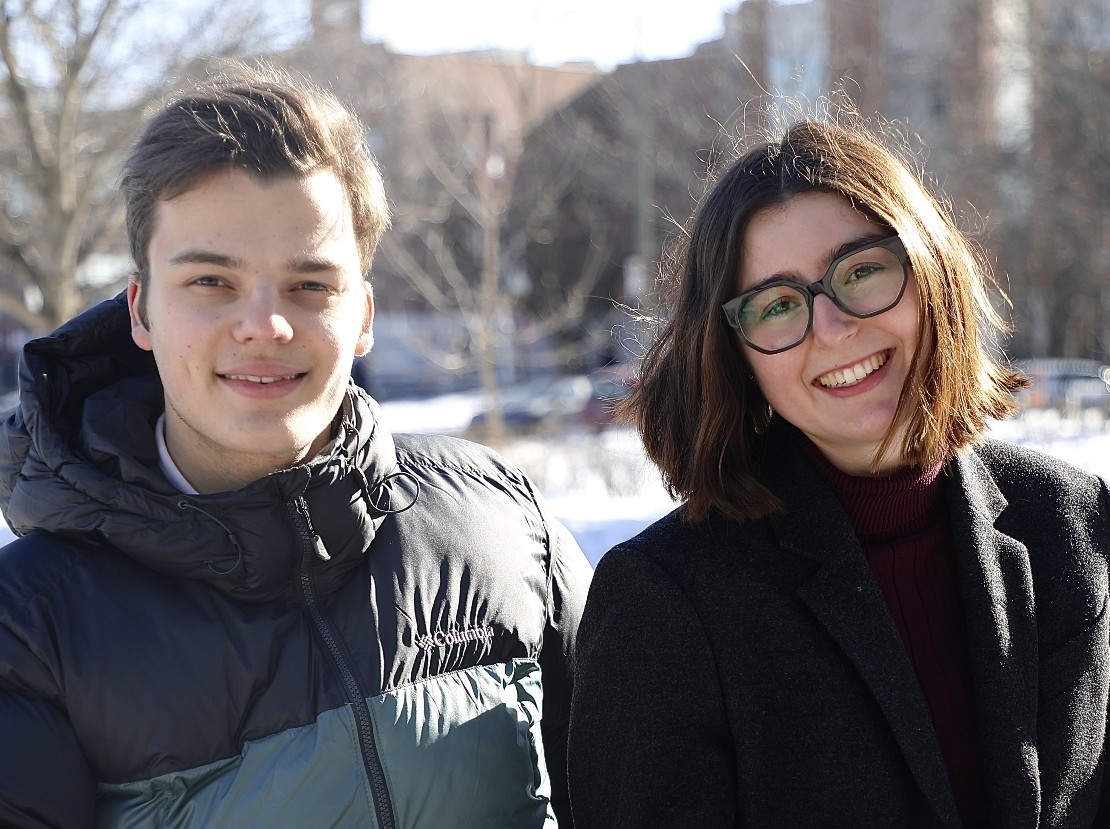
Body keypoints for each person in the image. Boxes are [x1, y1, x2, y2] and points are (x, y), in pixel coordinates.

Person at [0, 63, 591, 829]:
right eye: (212, 281)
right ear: (140, 309)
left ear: (365, 313)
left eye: (311, 285)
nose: (265, 325)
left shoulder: (500, 522)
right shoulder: (28, 626)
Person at [567, 116, 1110, 827]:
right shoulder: (666, 601)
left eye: (861, 271)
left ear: (931, 272)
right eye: (779, 305)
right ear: (736, 355)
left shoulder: (1069, 519)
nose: (832, 330)